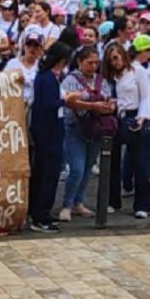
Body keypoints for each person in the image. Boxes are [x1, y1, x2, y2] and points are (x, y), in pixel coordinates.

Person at [58, 45, 114, 222]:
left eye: (96, 63)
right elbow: (68, 101)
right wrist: (92, 105)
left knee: (88, 168)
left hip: (96, 128)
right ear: (80, 62)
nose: (93, 66)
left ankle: (78, 202)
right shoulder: (70, 80)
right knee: (77, 168)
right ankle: (66, 204)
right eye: (89, 62)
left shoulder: (101, 80)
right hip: (74, 127)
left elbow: (109, 98)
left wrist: (108, 106)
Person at [104, 41, 150, 218]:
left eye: (117, 58)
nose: (115, 63)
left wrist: (142, 117)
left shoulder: (137, 71)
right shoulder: (109, 76)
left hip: (135, 116)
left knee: (140, 163)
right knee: (112, 162)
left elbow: (145, 96)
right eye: (111, 60)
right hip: (116, 117)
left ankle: (142, 205)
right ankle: (112, 200)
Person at [29, 42, 72, 233]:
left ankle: (40, 211)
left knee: (45, 173)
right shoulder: (47, 78)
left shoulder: (46, 77)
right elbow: (49, 104)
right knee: (47, 174)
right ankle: (41, 215)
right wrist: (66, 100)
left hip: (50, 130)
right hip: (48, 132)